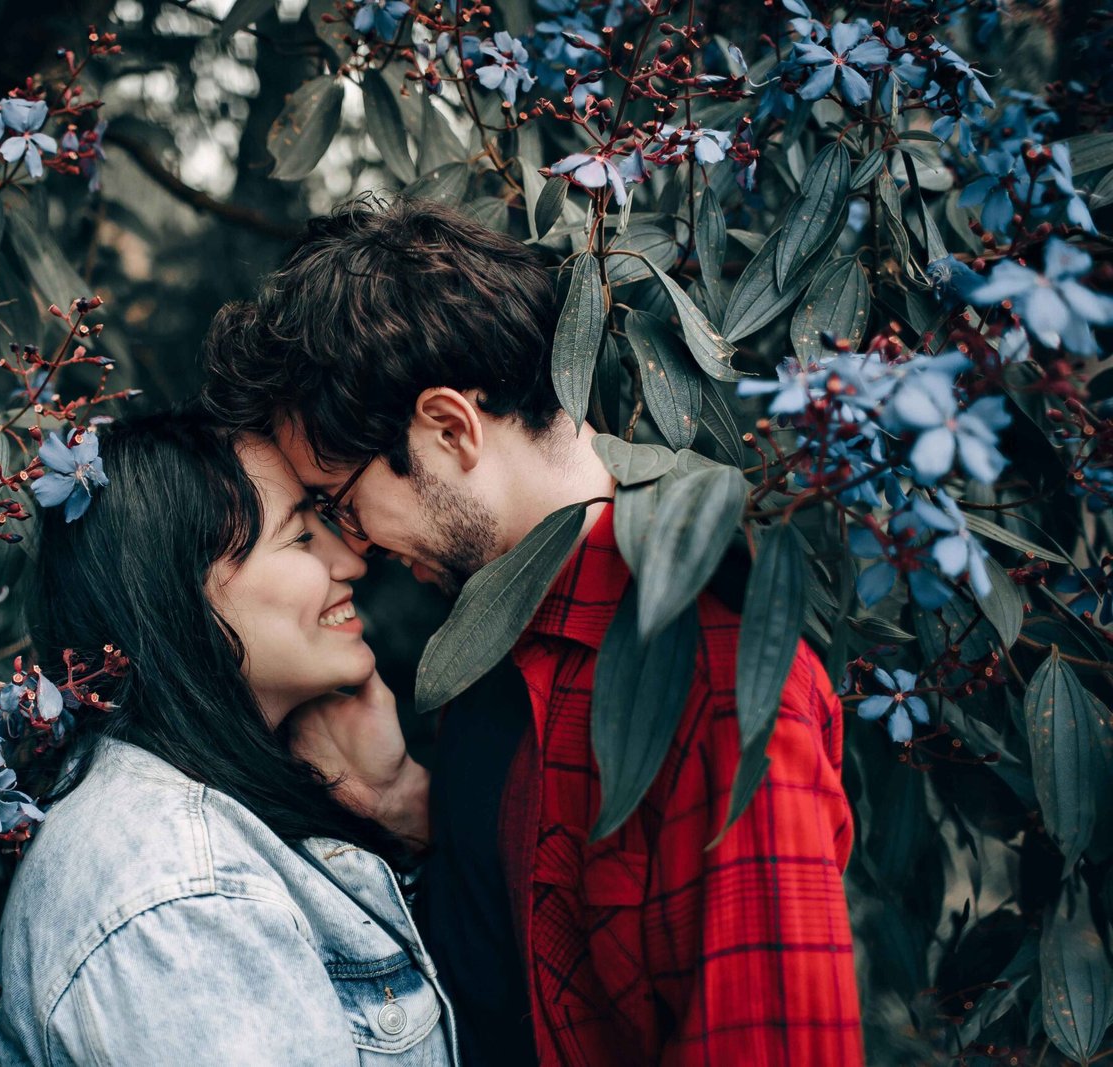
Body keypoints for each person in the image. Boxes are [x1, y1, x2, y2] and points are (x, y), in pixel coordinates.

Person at [203, 197, 864, 1065]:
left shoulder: (717, 674)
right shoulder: (492, 643)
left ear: (448, 428)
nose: (353, 547)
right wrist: (408, 803)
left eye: (341, 501)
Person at [0, 410, 455, 1067]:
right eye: (300, 537)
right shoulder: (181, 897)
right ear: (182, 590)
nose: (351, 559)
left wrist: (396, 802)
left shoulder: (212, 823)